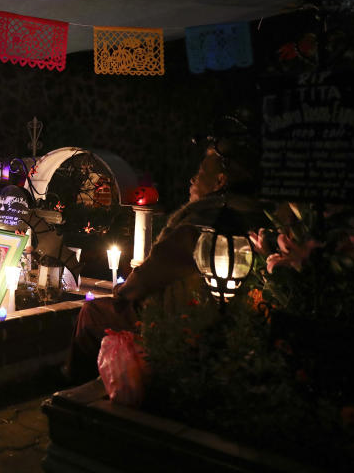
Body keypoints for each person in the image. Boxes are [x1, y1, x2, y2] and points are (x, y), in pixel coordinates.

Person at [65, 135, 266, 383]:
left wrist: (121, 292)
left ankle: (78, 388)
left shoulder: (201, 225)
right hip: (216, 315)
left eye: (200, 172)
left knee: (92, 313)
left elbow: (149, 275)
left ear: (220, 181)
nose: (192, 179)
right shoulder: (253, 218)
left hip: (179, 317)